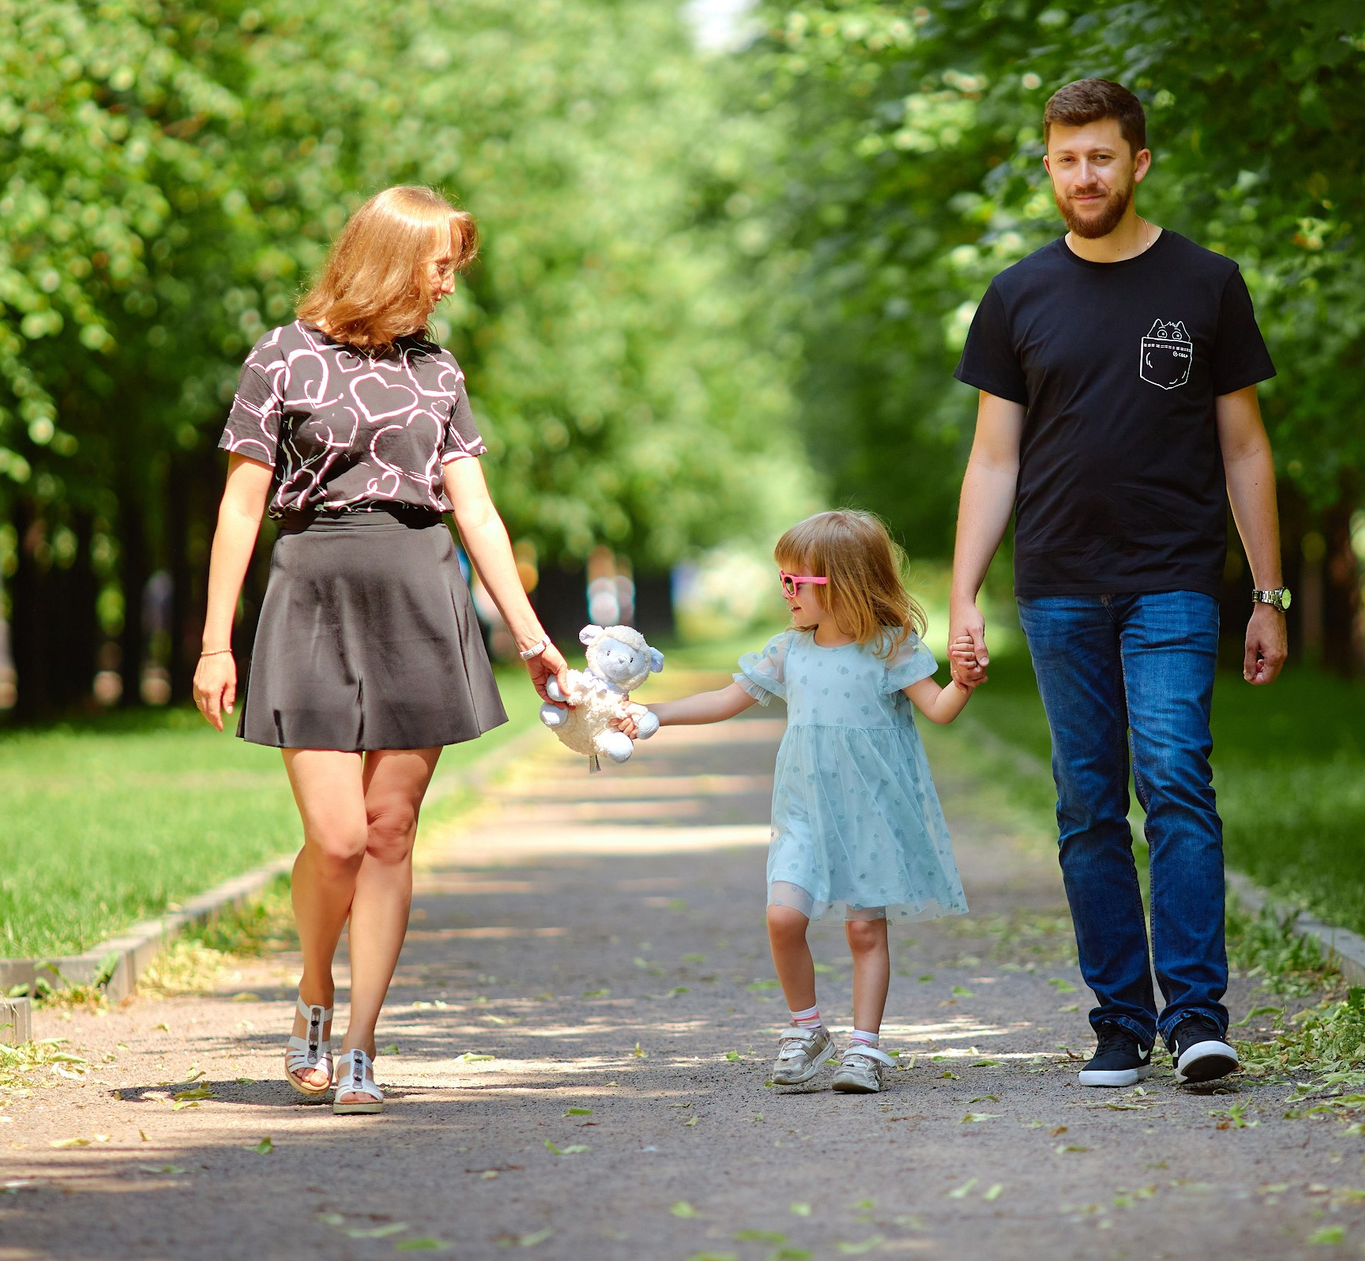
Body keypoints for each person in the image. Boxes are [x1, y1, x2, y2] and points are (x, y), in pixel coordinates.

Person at [948, 77, 1288, 1092]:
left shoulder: (1205, 282)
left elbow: (1244, 449)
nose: (1082, 175)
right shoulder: (1016, 295)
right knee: (1087, 802)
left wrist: (1268, 595)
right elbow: (993, 461)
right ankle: (1117, 1022)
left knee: (1176, 780)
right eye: (1065, 158)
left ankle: (1195, 1021)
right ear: (1046, 165)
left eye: (1101, 156)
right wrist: (963, 594)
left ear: (1138, 162)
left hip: (1175, 578)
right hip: (1056, 585)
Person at [195, 185, 564, 1115]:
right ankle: (312, 989)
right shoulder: (282, 356)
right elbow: (243, 505)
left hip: (418, 590)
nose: (448, 284)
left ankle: (361, 1042)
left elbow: (475, 507)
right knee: (337, 837)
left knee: (391, 832)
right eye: (440, 264)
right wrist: (213, 642)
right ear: (394, 257)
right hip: (311, 586)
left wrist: (530, 637)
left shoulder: (438, 372)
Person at [632, 510, 976, 1094]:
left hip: (869, 812)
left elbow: (939, 709)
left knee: (865, 931)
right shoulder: (788, 650)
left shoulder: (889, 647)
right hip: (804, 812)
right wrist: (656, 715)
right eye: (782, 580)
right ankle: (807, 1029)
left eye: (795, 582)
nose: (784, 592)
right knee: (782, 917)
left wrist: (964, 681)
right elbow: (725, 698)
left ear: (841, 583)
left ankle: (865, 1049)